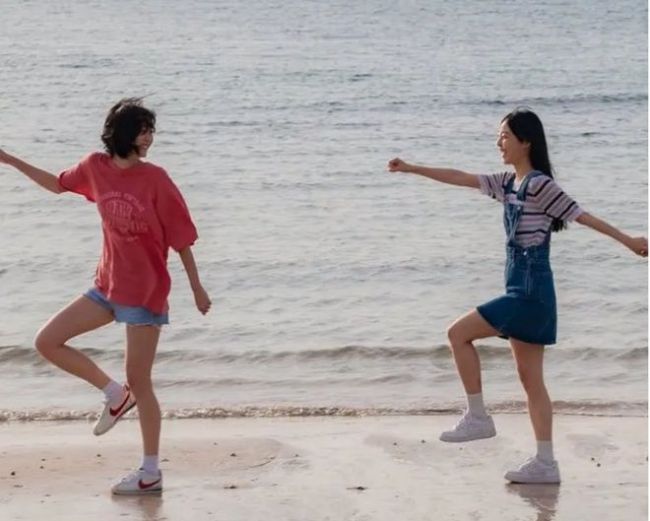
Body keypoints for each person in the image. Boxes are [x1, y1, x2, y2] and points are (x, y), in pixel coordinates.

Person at [387, 107, 647, 484]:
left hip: (530, 291)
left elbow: (582, 216)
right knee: (531, 382)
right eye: (499, 136)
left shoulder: (539, 185)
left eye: (505, 136)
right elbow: (460, 177)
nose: (499, 142)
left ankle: (478, 417)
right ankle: (546, 463)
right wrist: (412, 168)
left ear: (526, 142)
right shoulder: (507, 183)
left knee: (458, 334)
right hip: (523, 288)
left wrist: (629, 241)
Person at [0, 98, 211, 495]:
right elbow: (57, 184)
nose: (149, 138)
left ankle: (150, 472)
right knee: (47, 341)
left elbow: (182, 238)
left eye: (151, 131)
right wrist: (10, 160)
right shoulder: (95, 167)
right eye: (143, 130)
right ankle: (115, 395)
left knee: (141, 380)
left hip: (145, 292)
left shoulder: (157, 179)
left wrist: (196, 287)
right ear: (124, 133)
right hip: (108, 285)